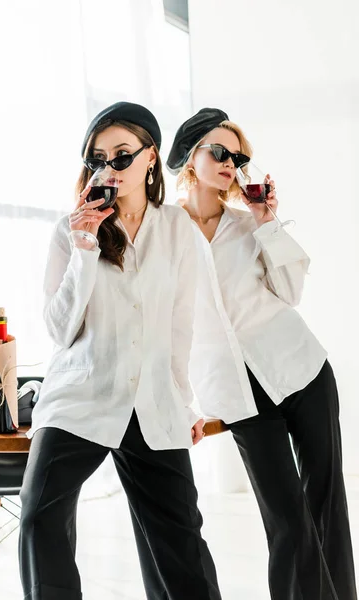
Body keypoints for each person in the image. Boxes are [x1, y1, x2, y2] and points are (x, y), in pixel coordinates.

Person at [18, 102, 222, 600]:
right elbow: (61, 330)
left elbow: (180, 327)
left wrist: (184, 400)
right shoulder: (70, 233)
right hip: (78, 398)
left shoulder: (176, 228)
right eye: (98, 159)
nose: (109, 169)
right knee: (38, 518)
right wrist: (84, 248)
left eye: (122, 156)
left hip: (151, 402)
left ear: (150, 157)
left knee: (181, 545)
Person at [164, 107, 358, 600]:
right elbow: (168, 328)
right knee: (286, 520)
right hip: (235, 393)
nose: (232, 162)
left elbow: (291, 291)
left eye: (239, 155)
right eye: (220, 151)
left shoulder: (248, 224)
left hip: (301, 371)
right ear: (190, 158)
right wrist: (181, 400)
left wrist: (267, 222)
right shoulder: (165, 234)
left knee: (326, 504)